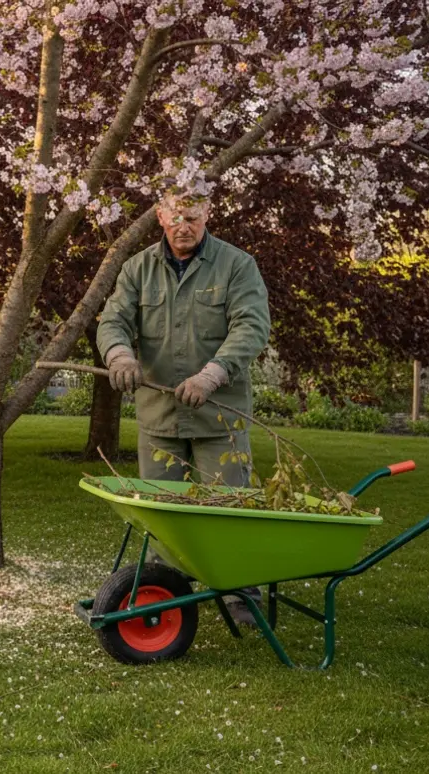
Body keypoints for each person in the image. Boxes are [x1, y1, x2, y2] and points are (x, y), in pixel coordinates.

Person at [95, 190, 271, 622]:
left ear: (208, 214)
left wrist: (215, 373)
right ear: (160, 217)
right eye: (175, 217)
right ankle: (169, 597)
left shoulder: (237, 266)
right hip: (160, 417)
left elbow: (252, 325)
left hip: (221, 420)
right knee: (164, 518)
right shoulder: (138, 269)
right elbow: (113, 320)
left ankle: (238, 594)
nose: (184, 226)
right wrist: (118, 354)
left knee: (227, 508)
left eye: (193, 216)